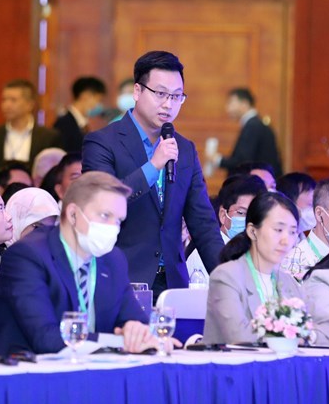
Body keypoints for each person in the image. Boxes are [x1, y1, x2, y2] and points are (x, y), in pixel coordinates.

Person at [82, 50, 224, 300]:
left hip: (172, 285)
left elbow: (203, 223)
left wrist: (229, 279)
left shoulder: (185, 149)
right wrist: (153, 165)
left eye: (177, 96)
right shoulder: (102, 143)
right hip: (120, 280)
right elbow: (101, 205)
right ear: (137, 91)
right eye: (160, 94)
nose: (168, 104)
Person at [0, 172, 158, 356]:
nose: (113, 227)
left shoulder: (112, 259)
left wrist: (138, 332)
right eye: (105, 215)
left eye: (118, 220)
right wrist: (118, 342)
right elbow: (45, 338)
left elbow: (136, 322)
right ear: (73, 214)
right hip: (15, 368)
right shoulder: (27, 256)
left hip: (89, 367)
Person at [203, 192, 304, 344]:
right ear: (252, 231)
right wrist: (292, 336)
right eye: (278, 230)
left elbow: (308, 327)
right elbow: (238, 336)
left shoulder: (288, 282)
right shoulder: (226, 276)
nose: (286, 240)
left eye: (292, 232)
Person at [0, 79, 62, 183]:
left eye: (13, 100)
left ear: (30, 104)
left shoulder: (49, 137)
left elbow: (55, 176)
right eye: (4, 100)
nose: (6, 105)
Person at [185, 174, 266, 284]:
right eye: (241, 213)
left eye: (255, 215)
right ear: (223, 215)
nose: (248, 221)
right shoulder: (203, 255)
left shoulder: (260, 253)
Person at [207, 88, 283, 177]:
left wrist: (217, 159)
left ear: (244, 104)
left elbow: (243, 161)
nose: (227, 108)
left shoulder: (253, 126)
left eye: (231, 103)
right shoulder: (255, 124)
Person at [53, 76, 107, 153]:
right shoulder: (64, 123)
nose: (98, 105)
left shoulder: (82, 124)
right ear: (85, 96)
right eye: (98, 100)